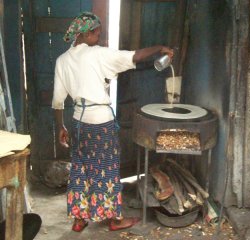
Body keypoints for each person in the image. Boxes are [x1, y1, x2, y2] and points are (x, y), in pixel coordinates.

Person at [52, 12, 174, 232]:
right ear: (86, 33)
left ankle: (79, 219)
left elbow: (58, 101)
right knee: (106, 171)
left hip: (78, 122)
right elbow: (133, 56)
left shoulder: (62, 60)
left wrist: (61, 126)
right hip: (101, 123)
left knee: (80, 170)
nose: (99, 37)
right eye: (97, 33)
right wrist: (159, 48)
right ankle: (114, 220)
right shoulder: (96, 54)